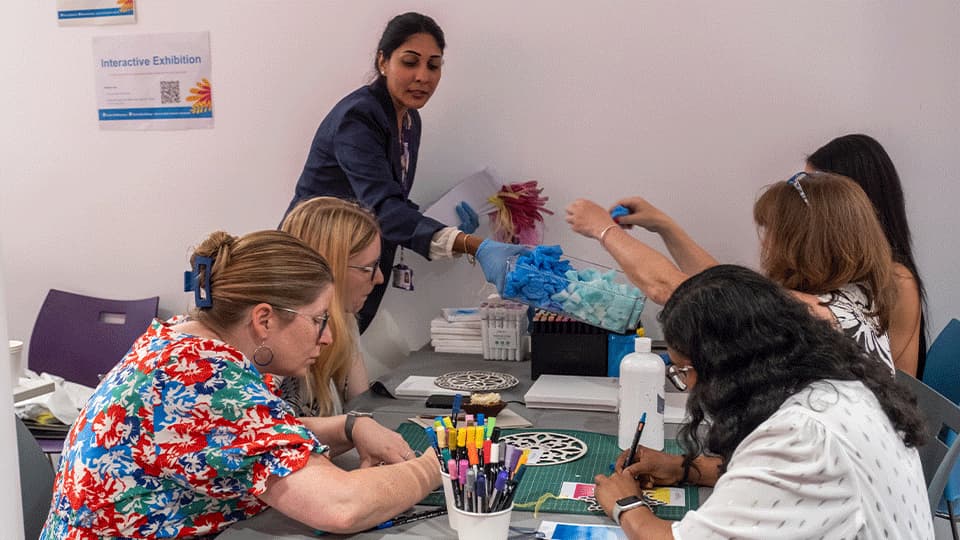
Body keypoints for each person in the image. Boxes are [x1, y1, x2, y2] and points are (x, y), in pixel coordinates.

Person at [40, 230, 440, 538]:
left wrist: (347, 426)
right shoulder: (206, 379)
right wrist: (437, 467)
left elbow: (245, 440)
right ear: (264, 319)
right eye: (318, 319)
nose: (327, 337)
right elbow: (342, 506)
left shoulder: (179, 342)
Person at [592, 265, 933, 539]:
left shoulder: (802, 434)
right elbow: (786, 482)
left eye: (687, 369)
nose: (688, 384)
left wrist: (626, 505)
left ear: (732, 361)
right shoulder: (836, 388)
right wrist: (687, 469)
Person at [285, 12, 524, 332]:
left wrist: (443, 227)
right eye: (410, 62)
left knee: (342, 360)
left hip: (358, 269)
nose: (423, 76)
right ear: (383, 61)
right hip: (315, 267)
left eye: (433, 65)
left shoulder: (410, 120)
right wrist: (468, 244)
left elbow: (390, 201)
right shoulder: (359, 116)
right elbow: (381, 207)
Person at [566, 171, 898, 371]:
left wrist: (603, 230)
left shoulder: (816, 315)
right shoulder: (855, 299)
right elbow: (727, 288)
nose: (765, 244)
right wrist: (665, 227)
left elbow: (677, 291)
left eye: (770, 232)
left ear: (802, 243)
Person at [807, 133, 926, 377]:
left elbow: (899, 390)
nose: (801, 207)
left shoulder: (895, 282)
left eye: (811, 195)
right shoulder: (820, 266)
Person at [279, 196, 383, 417]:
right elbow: (281, 433)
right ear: (331, 267)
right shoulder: (280, 346)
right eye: (368, 268)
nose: (379, 278)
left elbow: (362, 406)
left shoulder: (345, 321)